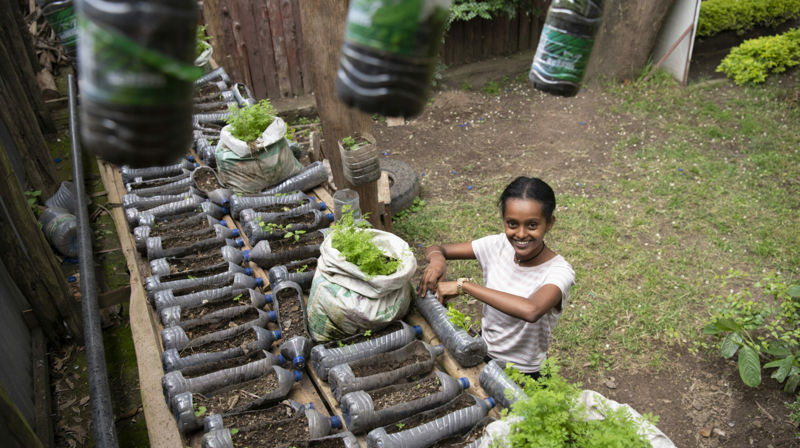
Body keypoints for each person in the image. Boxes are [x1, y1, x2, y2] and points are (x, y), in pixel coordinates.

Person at [417, 176, 575, 378]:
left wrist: (463, 286)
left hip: (523, 373)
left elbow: (531, 310)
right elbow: (436, 249)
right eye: (512, 224)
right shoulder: (497, 246)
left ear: (549, 223)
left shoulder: (558, 271)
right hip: (482, 352)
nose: (520, 234)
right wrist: (437, 260)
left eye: (532, 225)